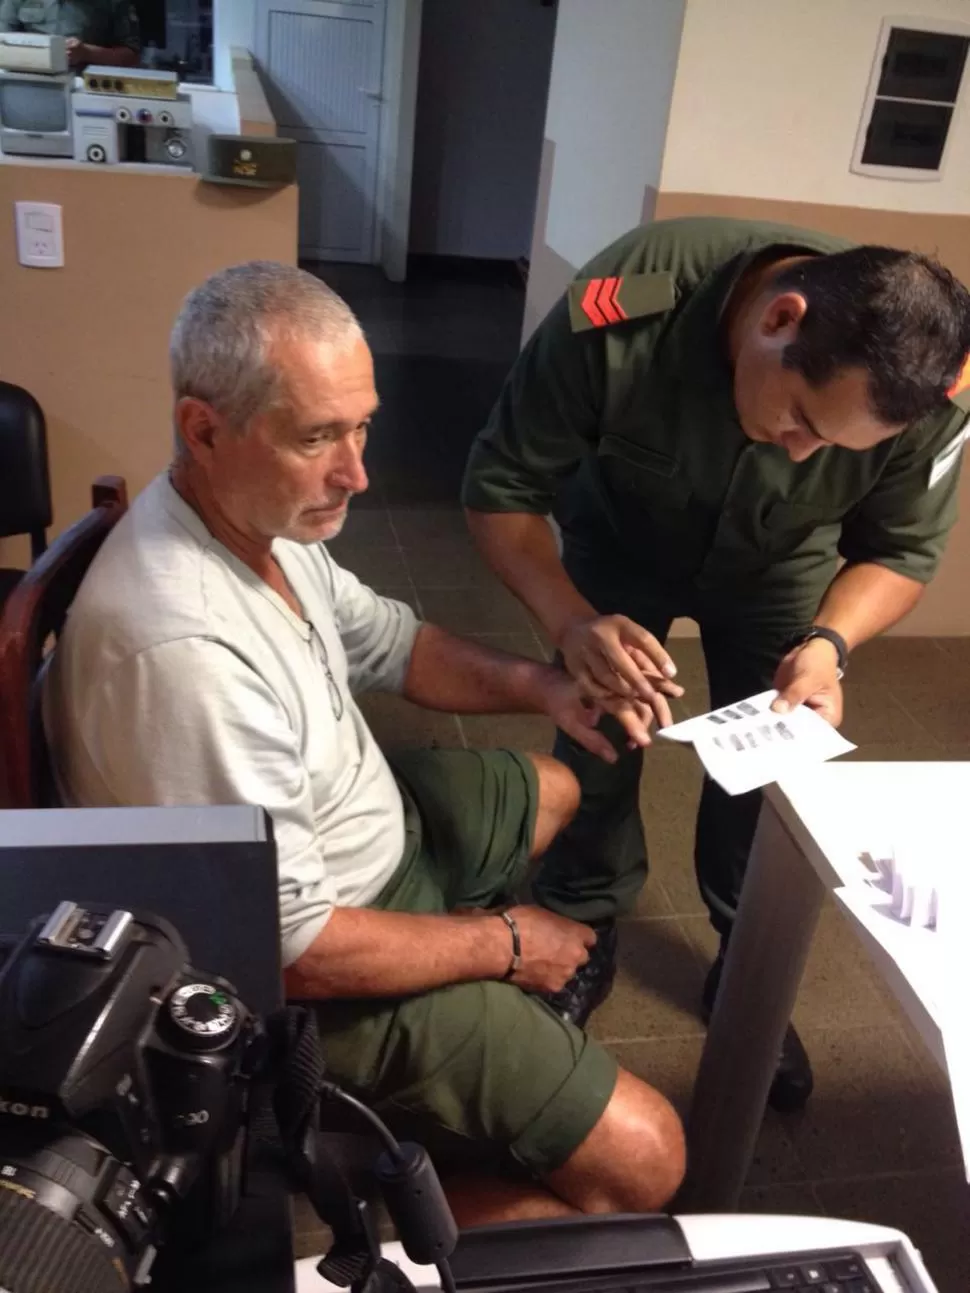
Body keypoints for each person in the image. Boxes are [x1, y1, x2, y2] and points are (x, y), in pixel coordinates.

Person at [43, 261, 685, 1224]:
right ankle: (380, 1192)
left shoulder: (264, 517)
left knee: (554, 789)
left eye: (362, 425)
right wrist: (505, 944)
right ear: (204, 428)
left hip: (357, 838)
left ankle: (476, 1032)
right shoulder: (184, 655)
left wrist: (547, 685)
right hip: (304, 972)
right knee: (648, 1160)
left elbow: (393, 642)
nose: (358, 472)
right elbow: (291, 948)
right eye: (318, 438)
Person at [461, 216, 970, 1113]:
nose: (806, 452)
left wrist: (829, 645)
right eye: (804, 421)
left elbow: (901, 552)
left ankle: (747, 967)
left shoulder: (932, 394)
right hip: (621, 537)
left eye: (836, 450)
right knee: (600, 730)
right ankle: (582, 921)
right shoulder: (626, 308)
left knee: (770, 761)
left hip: (780, 565)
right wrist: (573, 621)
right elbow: (500, 488)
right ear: (780, 319)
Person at [0, 0, 140, 68]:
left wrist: (87, 53)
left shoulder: (113, 3)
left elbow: (132, 57)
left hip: (84, 90)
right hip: (25, 84)